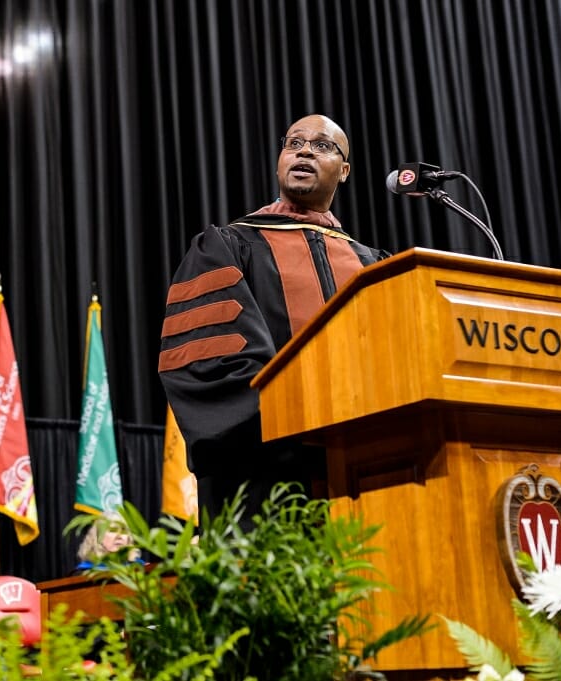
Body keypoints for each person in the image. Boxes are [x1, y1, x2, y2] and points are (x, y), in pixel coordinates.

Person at [159, 114, 392, 518]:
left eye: (322, 146)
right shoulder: (226, 247)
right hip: (263, 479)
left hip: (368, 476)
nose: (304, 150)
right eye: (293, 142)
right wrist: (309, 423)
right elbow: (212, 362)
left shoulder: (373, 266)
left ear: (345, 171)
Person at [73, 512, 143, 573]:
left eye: (123, 531)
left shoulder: (142, 568)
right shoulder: (84, 572)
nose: (119, 536)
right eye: (113, 530)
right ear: (98, 536)